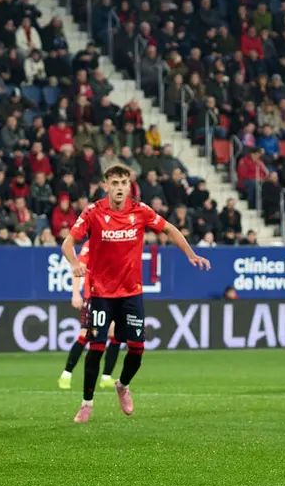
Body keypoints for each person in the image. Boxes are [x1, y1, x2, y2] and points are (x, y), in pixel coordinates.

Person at [62, 164, 210, 423]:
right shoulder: (93, 213)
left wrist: (191, 254)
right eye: (114, 183)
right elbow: (68, 242)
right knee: (96, 348)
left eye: (123, 182)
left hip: (131, 294)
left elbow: (169, 229)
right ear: (105, 185)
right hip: (101, 294)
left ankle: (123, 385)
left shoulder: (140, 211)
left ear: (129, 185)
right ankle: (87, 403)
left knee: (137, 349)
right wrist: (74, 263)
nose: (119, 187)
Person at [57, 241, 120, 391]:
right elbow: (79, 268)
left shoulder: (115, 241)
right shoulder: (91, 244)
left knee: (114, 333)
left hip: (112, 295)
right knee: (86, 334)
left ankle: (106, 377)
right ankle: (66, 374)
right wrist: (75, 293)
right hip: (94, 296)